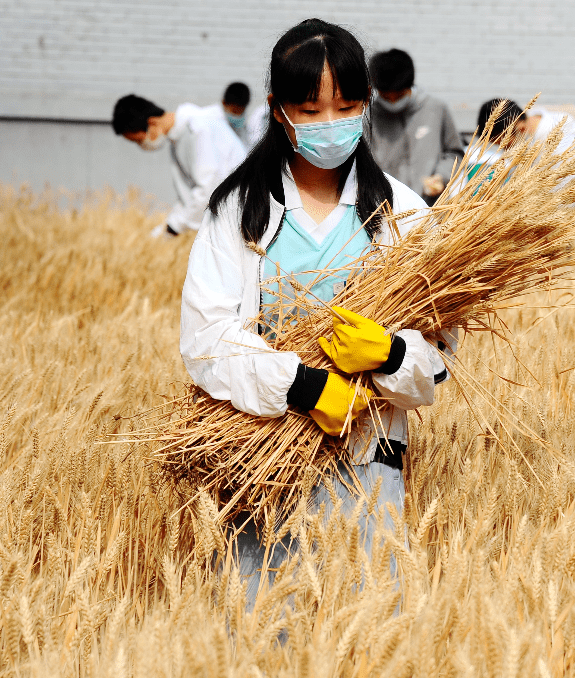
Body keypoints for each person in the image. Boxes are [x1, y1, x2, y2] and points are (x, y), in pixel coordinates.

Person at [181, 19, 452, 609]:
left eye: (347, 106)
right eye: (311, 109)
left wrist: (392, 353)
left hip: (367, 453)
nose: (331, 124)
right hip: (261, 457)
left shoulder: (401, 213)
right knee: (257, 626)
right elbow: (205, 338)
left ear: (367, 106)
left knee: (369, 622)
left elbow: (439, 361)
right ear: (279, 110)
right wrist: (302, 385)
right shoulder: (237, 210)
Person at [112, 94, 246, 238]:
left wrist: (173, 228)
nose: (141, 145)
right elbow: (187, 196)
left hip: (241, 215)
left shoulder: (198, 129)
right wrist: (162, 232)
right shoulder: (179, 138)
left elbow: (209, 188)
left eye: (139, 141)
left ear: (152, 123)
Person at [367, 48, 465, 205]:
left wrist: (441, 176)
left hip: (431, 206)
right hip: (386, 208)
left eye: (399, 96)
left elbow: (455, 152)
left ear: (409, 85)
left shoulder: (436, 109)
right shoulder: (369, 116)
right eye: (386, 97)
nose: (393, 102)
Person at [220, 81, 252, 147]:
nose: (237, 116)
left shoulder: (247, 128)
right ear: (224, 103)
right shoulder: (214, 122)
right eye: (234, 111)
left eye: (240, 112)